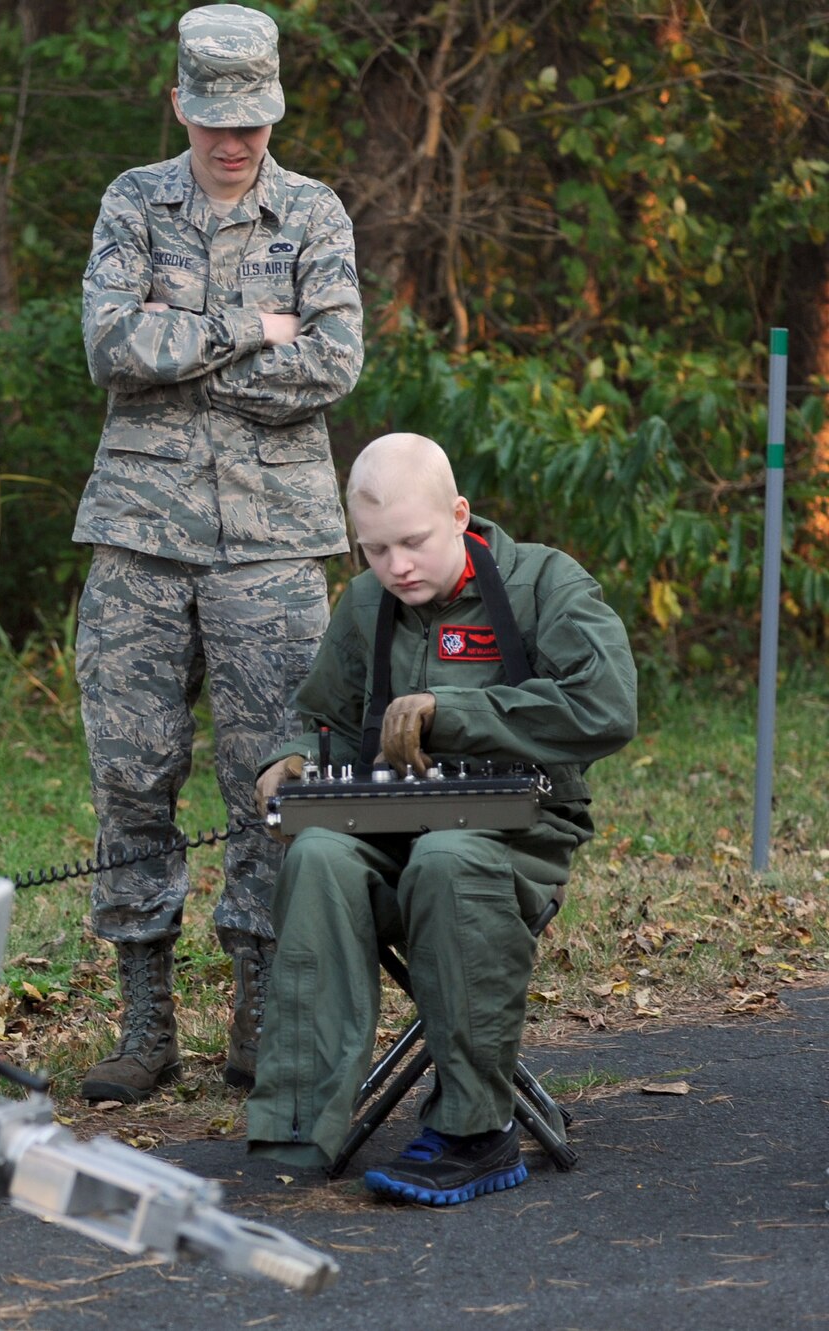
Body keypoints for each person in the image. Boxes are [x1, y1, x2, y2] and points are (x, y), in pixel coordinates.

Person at [73, 3, 364, 1102]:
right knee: (130, 775)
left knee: (272, 781)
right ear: (180, 108)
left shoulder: (313, 212)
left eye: (250, 123)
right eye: (212, 124)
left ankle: (256, 1000)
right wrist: (252, 329)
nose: (233, 144)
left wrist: (182, 350)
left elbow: (333, 362)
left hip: (273, 543)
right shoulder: (132, 202)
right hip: (139, 537)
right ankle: (144, 1014)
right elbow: (109, 344)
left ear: (273, 110)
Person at [245, 433, 637, 1204]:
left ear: (459, 514)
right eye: (376, 550)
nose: (397, 567)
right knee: (319, 855)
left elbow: (607, 707)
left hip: (518, 835)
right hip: (388, 831)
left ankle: (475, 1130)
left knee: (449, 860)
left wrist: (452, 713)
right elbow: (321, 719)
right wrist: (289, 759)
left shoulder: (544, 586)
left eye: (415, 542)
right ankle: (296, 1125)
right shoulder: (366, 606)